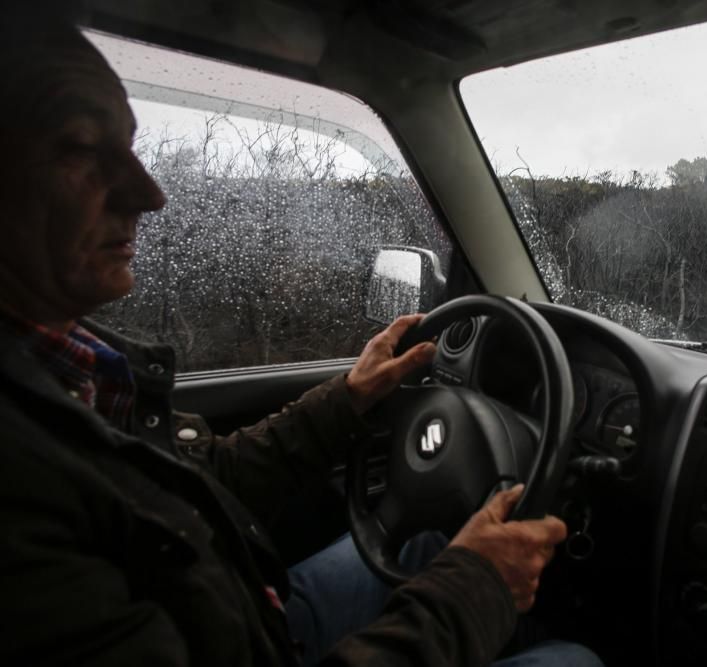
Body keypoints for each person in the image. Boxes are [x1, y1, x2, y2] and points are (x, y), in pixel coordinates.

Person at [0, 7, 603, 667]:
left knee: (437, 545)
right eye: (82, 148)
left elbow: (206, 477)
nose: (148, 193)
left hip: (240, 615)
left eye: (130, 147)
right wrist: (479, 588)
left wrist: (349, 396)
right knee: (576, 657)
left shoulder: (69, 369)